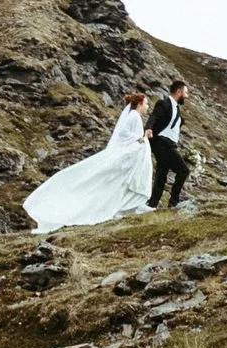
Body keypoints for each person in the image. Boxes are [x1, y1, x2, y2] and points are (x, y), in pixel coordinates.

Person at [22, 92, 154, 232]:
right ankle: (118, 208)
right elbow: (125, 135)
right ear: (139, 104)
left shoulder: (134, 116)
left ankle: (126, 207)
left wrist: (140, 138)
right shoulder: (134, 116)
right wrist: (141, 138)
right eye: (146, 104)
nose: (147, 107)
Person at [146, 78, 192, 212]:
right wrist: (148, 128)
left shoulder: (177, 109)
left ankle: (152, 204)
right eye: (186, 93)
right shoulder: (164, 103)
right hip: (162, 142)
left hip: (169, 144)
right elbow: (154, 116)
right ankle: (173, 202)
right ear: (179, 91)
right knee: (183, 171)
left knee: (161, 174)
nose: (187, 96)